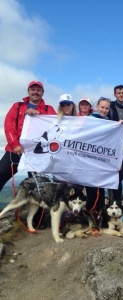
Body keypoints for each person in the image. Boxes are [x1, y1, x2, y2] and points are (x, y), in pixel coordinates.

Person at [0, 80, 56, 227]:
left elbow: (56, 127)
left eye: (39, 90)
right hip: (15, 150)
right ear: (28, 91)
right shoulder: (17, 106)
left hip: (38, 153)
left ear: (42, 93)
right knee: (1, 173)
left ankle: (38, 221)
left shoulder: (48, 109)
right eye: (33, 89)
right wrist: (15, 144)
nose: (35, 92)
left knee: (40, 185)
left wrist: (39, 116)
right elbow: (9, 126)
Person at [87, 97, 123, 227]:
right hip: (90, 160)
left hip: (102, 161)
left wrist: (118, 126)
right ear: (97, 107)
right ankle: (90, 219)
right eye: (102, 107)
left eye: (107, 108)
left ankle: (99, 218)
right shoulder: (90, 119)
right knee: (92, 191)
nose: (104, 110)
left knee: (101, 191)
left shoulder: (109, 122)